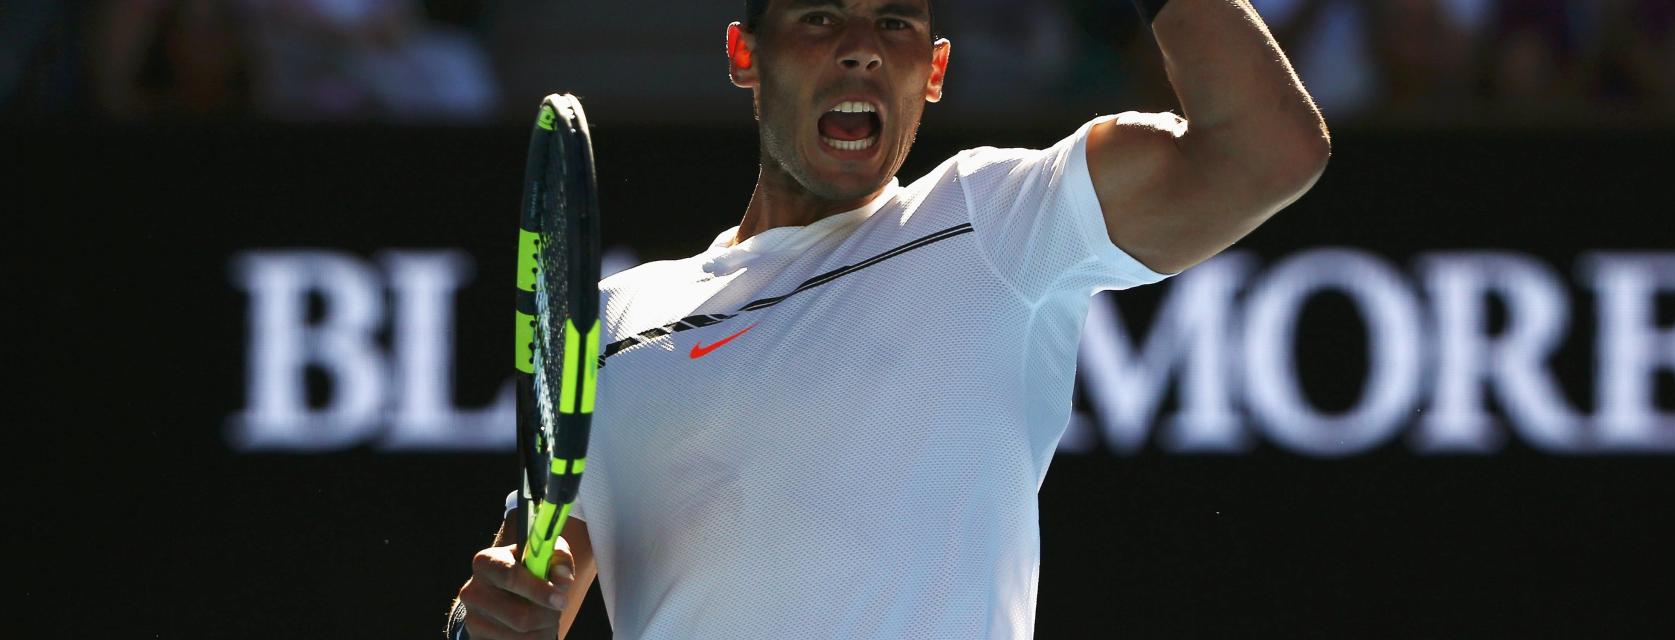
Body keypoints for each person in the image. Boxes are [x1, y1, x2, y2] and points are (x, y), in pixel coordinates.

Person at [450, 0, 1329, 638]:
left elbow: (1268, 152)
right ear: (745, 53)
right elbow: (517, 597)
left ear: (934, 71)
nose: (862, 50)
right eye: (821, 18)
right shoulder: (613, 321)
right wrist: (485, 619)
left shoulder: (996, 221)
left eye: (896, 23)